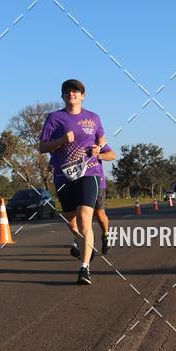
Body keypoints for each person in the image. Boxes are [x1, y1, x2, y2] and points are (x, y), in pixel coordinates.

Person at [39, 79, 113, 285]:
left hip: (90, 173)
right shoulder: (54, 118)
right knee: (71, 221)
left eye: (76, 91)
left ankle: (84, 268)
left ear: (83, 95)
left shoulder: (94, 118)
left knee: (84, 218)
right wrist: (62, 141)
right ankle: (86, 245)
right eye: (67, 92)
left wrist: (99, 153)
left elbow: (108, 151)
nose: (72, 94)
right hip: (63, 176)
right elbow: (42, 147)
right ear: (62, 96)